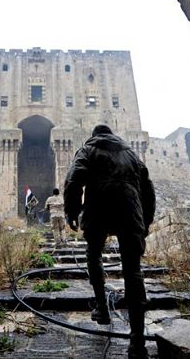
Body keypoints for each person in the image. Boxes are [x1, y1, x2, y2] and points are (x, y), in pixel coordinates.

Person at [64, 124, 155, 359]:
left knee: (93, 254)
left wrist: (72, 210)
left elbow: (74, 179)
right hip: (130, 208)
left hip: (100, 207)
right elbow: (148, 188)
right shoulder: (131, 154)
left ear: (95, 136)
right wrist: (146, 220)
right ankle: (137, 340)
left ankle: (102, 307)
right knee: (133, 270)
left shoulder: (88, 149)